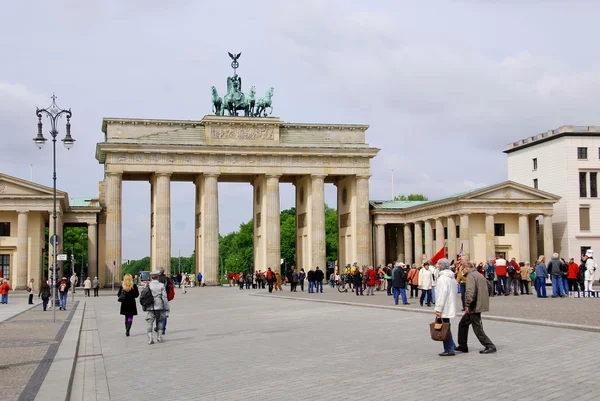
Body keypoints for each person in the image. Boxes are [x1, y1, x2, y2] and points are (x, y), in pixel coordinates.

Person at [456, 262, 497, 354]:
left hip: (474, 305)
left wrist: (468, 305)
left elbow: (470, 292)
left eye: (463, 269)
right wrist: (484, 297)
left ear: (467, 268)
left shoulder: (471, 276)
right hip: (478, 303)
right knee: (463, 324)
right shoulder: (479, 274)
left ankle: (490, 345)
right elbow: (489, 287)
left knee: (477, 327)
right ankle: (462, 345)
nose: (463, 271)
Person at [433, 258, 457, 357]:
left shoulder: (442, 278)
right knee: (446, 326)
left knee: (444, 327)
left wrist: (438, 309)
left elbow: (442, 294)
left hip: (444, 306)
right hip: (449, 304)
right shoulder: (451, 277)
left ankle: (449, 348)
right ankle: (452, 345)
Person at [144, 270, 169, 345]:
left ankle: (150, 338)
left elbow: (144, 296)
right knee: (160, 320)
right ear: (157, 277)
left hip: (150, 306)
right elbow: (164, 297)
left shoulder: (148, 285)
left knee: (150, 322)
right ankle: (159, 337)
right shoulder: (161, 285)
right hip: (159, 306)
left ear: (151, 277)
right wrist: (167, 308)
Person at [157, 268, 174, 335]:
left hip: (158, 299)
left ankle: (159, 328)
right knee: (164, 314)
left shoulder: (157, 279)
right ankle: (163, 328)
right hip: (165, 298)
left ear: (159, 272)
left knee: (158, 314)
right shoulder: (167, 279)